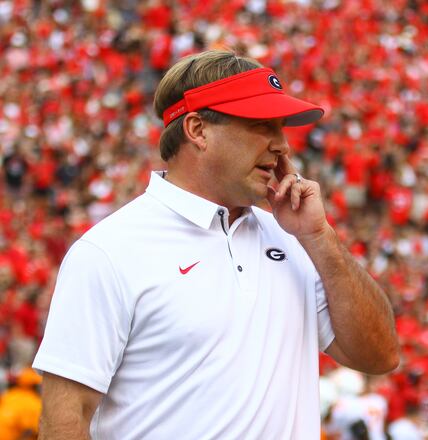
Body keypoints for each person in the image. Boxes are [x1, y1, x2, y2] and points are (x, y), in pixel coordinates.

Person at [32, 50, 399, 439]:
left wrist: (320, 237)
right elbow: (63, 421)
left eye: (281, 128)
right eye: (262, 126)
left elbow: (379, 356)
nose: (282, 147)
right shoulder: (110, 251)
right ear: (197, 129)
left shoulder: (293, 239)